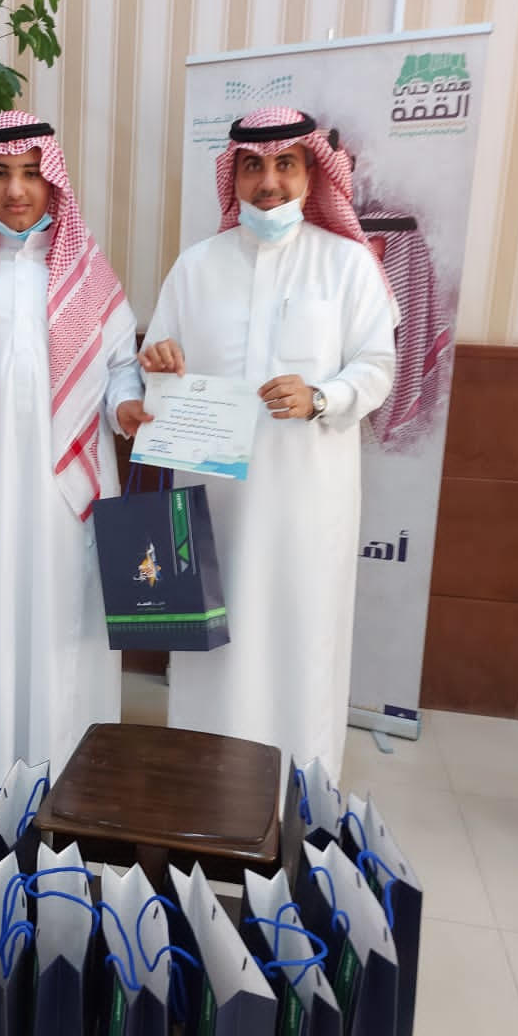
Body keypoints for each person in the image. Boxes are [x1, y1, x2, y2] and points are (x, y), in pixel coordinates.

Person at [139, 106, 395, 782]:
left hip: (306, 500)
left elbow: (377, 366)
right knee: (211, 647)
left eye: (285, 164)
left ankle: (297, 784)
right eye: (253, 165)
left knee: (299, 636)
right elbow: (158, 363)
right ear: (234, 175)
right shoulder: (196, 267)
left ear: (311, 173)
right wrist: (159, 361)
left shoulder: (346, 265)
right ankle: (204, 779)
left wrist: (322, 397)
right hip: (213, 502)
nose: (269, 181)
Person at [0, 110, 148, 792]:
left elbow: (120, 370)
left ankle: (71, 757)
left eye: (30, 173)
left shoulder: (87, 273)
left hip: (68, 488)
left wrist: (126, 407)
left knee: (66, 614)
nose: (16, 190)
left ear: (53, 182)